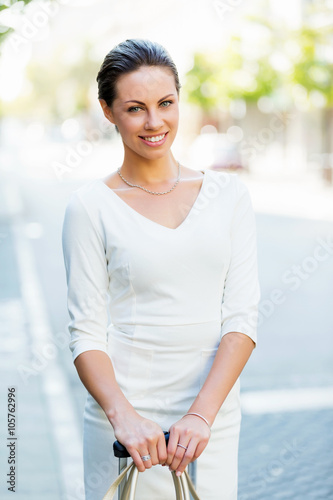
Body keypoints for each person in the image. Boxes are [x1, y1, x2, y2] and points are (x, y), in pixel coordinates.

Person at [61, 38, 260, 500]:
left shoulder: (229, 195)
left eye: (166, 103)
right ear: (108, 112)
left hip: (211, 418)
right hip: (129, 424)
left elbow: (242, 317)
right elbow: (85, 332)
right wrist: (123, 416)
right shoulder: (90, 207)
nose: (155, 123)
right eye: (135, 108)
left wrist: (200, 416)